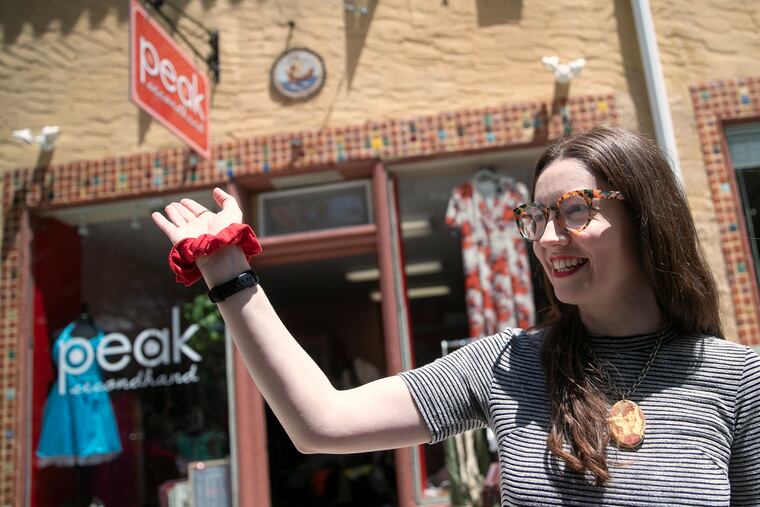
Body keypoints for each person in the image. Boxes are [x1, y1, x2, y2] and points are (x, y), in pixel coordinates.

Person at [152, 127, 760, 505]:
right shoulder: (507, 364)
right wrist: (230, 275)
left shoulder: (739, 380)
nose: (548, 238)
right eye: (536, 217)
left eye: (574, 210)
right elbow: (322, 422)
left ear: (648, 216)